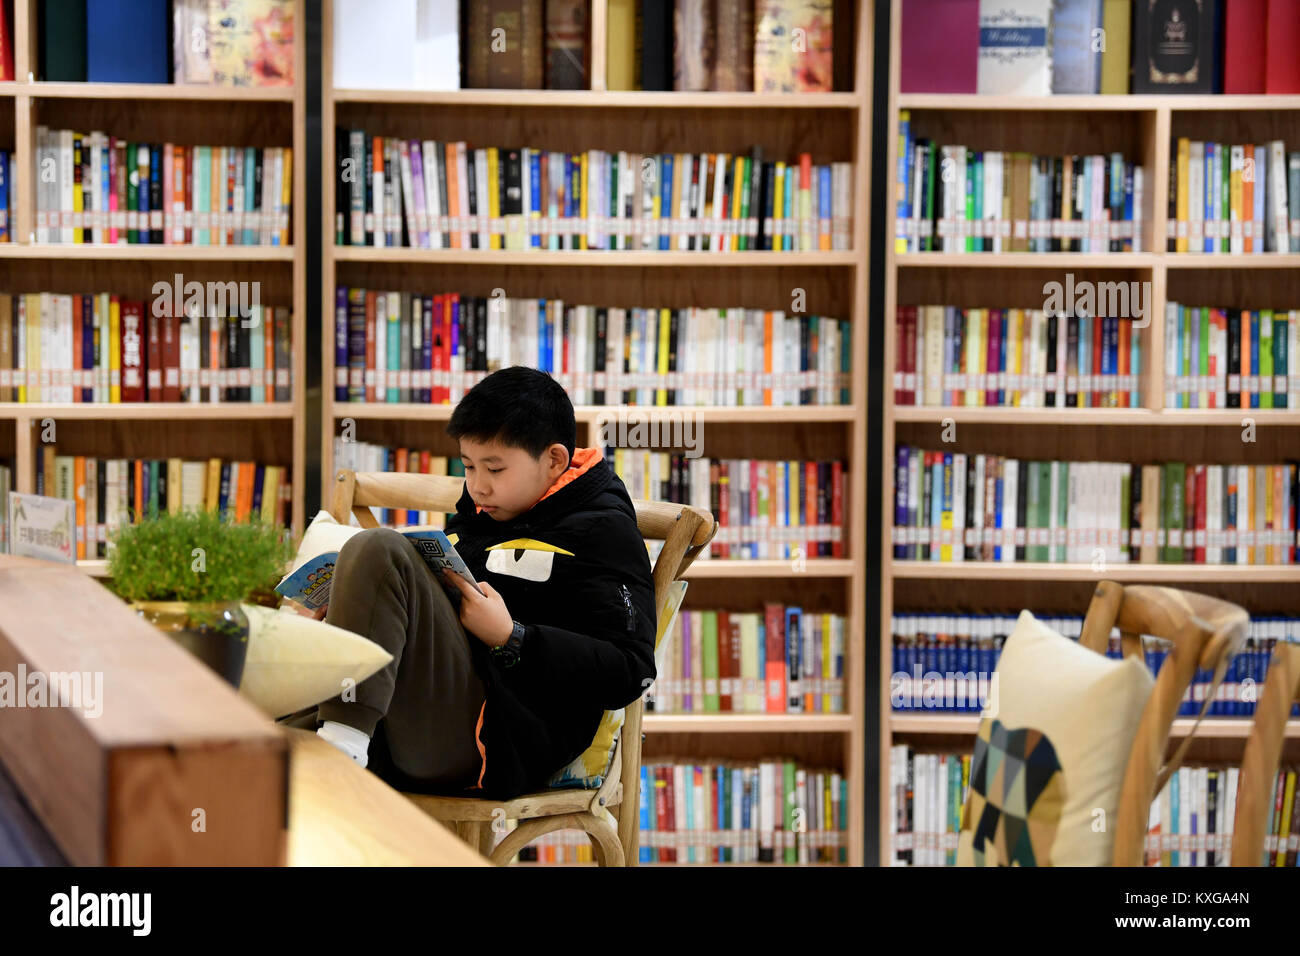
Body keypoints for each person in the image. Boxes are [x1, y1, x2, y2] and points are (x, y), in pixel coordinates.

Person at [288, 365, 657, 801]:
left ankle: (340, 757)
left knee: (378, 549)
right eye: (468, 466)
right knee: (249, 733)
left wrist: (513, 637)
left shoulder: (603, 528)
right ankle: (337, 747)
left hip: (498, 738)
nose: (478, 486)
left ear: (555, 460)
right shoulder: (482, 512)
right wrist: (352, 611)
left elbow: (631, 672)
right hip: (410, 717)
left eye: (495, 469)